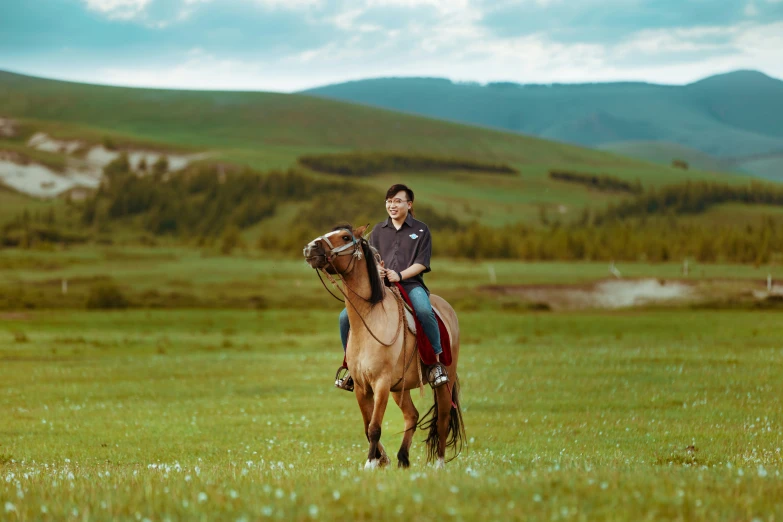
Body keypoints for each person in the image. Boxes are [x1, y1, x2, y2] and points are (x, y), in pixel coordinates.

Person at [335, 184, 448, 390]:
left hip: (411, 284)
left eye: (397, 201)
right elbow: (371, 258)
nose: (392, 205)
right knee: (344, 317)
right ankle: (351, 367)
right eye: (389, 201)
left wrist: (400, 275)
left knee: (424, 310)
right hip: (382, 287)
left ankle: (435, 364)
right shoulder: (378, 230)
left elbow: (422, 262)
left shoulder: (421, 230)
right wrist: (377, 269)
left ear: (409, 204)